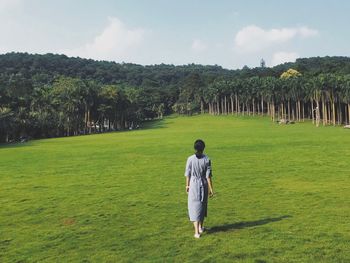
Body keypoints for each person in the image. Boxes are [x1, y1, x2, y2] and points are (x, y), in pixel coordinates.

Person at [184, 139, 214, 238]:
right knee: (202, 205)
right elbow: (208, 176)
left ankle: (197, 232)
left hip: (193, 185)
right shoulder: (207, 159)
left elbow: (187, 174)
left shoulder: (190, 159)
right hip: (203, 185)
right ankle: (200, 227)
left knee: (193, 208)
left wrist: (187, 185)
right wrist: (211, 189)